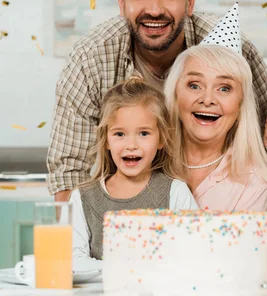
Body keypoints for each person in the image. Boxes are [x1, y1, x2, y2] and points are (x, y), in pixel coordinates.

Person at [47, 0, 267, 202]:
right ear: (121, 1)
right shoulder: (91, 59)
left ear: (190, 1)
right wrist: (80, 239)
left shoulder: (234, 53)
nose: (155, 9)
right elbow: (70, 172)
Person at [70, 77, 197, 262]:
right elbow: (74, 260)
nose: (131, 145)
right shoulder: (83, 198)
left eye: (144, 134)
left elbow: (194, 252)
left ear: (161, 139)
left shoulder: (176, 192)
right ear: (106, 140)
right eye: (120, 134)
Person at [164, 6, 267, 211]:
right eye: (194, 85)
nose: (208, 99)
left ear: (241, 103)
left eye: (224, 88)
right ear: (175, 93)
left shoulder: (254, 181)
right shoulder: (145, 160)